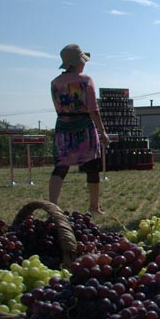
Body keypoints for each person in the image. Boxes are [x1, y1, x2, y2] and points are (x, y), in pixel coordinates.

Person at [48, 44, 110, 214]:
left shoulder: (55, 83)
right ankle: (94, 206)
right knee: (92, 166)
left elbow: (57, 106)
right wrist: (102, 131)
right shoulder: (85, 80)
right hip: (84, 128)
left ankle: (53, 207)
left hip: (62, 127)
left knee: (60, 167)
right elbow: (93, 109)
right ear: (78, 62)